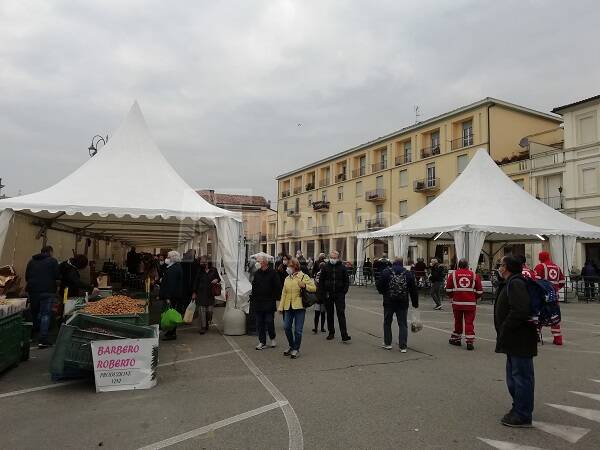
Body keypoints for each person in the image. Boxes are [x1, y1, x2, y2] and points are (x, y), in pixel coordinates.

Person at [494, 254, 537, 427]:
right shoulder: (512, 282)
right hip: (514, 339)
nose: (499, 267)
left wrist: (505, 327)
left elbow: (520, 310)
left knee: (521, 377)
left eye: (501, 264)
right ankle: (518, 407)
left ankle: (523, 414)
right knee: (514, 377)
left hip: (520, 338)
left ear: (507, 267)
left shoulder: (516, 283)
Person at [376, 257, 419, 352]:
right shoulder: (408, 273)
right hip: (403, 302)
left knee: (387, 322)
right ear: (402, 263)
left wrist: (384, 293)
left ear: (393, 263)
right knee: (403, 324)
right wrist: (415, 303)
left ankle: (387, 344)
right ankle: (403, 346)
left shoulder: (386, 272)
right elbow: (413, 290)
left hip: (388, 301)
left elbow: (379, 286)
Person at [278, 257, 316, 358]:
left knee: (298, 330)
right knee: (286, 327)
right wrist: (281, 307)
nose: (287, 268)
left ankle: (296, 349)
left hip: (299, 307)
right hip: (288, 307)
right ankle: (291, 345)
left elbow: (314, 288)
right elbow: (284, 294)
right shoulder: (287, 278)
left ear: (295, 267)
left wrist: (304, 286)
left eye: (289, 266)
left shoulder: (304, 276)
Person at [25, 246, 60, 348]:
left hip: (33, 291)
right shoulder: (53, 261)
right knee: (45, 314)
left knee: (34, 313)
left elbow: (27, 276)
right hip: (47, 291)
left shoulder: (31, 262)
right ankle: (42, 339)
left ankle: (31, 336)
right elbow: (57, 275)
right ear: (50, 252)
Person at [445, 258, 483, 351]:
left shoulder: (453, 275)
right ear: (467, 265)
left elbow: (448, 290)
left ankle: (456, 339)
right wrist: (474, 297)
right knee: (469, 322)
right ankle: (469, 341)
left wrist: (453, 296)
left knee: (458, 321)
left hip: (457, 303)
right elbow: (480, 291)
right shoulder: (474, 275)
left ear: (458, 265)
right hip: (470, 304)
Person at [250, 255, 281, 349]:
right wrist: (253, 298)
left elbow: (277, 286)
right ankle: (262, 341)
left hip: (269, 301)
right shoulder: (257, 273)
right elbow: (254, 286)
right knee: (259, 323)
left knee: (269, 321)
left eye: (258, 261)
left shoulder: (273, 273)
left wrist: (277, 298)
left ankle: (272, 338)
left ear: (264, 262)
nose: (257, 263)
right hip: (258, 302)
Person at [319, 250, 351, 342]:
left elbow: (346, 281)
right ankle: (331, 332)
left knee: (341, 313)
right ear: (329, 258)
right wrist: (323, 292)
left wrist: (344, 291)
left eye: (334, 258)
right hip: (328, 294)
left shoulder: (342, 267)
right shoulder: (325, 267)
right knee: (330, 314)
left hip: (339, 294)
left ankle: (344, 335)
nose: (333, 259)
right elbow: (321, 281)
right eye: (331, 257)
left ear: (338, 258)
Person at [534, 251, 565, 345]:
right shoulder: (556, 267)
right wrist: (556, 289)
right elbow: (562, 281)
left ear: (541, 257)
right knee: (554, 316)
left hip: (542, 296)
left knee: (539, 316)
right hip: (554, 296)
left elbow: (535, 280)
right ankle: (558, 338)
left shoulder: (540, 266)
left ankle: (536, 336)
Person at [159, 251, 183, 340]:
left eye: (168, 257)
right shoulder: (175, 267)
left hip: (173, 296)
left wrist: (168, 297)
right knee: (171, 313)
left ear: (173, 258)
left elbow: (171, 284)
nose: (167, 259)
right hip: (174, 295)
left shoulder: (174, 269)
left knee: (171, 314)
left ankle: (172, 333)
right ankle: (170, 331)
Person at [192, 258, 221, 334]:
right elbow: (196, 282)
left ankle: (207, 321)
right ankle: (203, 327)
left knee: (209, 311)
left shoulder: (213, 270)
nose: (202, 263)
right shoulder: (199, 270)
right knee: (202, 311)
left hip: (210, 293)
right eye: (201, 262)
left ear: (208, 262)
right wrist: (194, 292)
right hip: (201, 293)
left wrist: (216, 280)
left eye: (204, 262)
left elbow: (218, 278)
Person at [312, 261, 327, 333]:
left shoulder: (317, 274)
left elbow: (315, 284)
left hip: (317, 296)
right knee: (323, 313)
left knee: (317, 313)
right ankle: (322, 328)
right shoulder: (325, 274)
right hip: (323, 296)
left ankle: (316, 328)